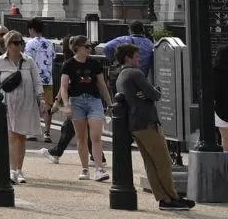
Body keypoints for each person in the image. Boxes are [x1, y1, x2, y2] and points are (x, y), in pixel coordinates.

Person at [112, 42, 193, 209]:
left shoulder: (121, 75)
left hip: (135, 124)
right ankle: (172, 197)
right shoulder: (135, 73)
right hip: (148, 123)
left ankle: (164, 198)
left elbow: (146, 94)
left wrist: (147, 93)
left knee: (150, 163)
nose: (139, 59)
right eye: (136, 56)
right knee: (163, 162)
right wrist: (153, 91)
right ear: (128, 58)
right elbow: (155, 94)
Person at [0, 32, 41, 184]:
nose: (19, 45)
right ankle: (12, 169)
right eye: (15, 43)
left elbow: (37, 82)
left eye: (20, 42)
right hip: (7, 103)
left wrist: (41, 100)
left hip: (26, 103)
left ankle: (19, 169)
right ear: (7, 45)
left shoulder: (29, 61)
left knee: (21, 137)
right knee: (11, 136)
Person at [53, 36, 112, 180]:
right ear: (77, 47)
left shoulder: (94, 63)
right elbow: (64, 87)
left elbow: (102, 84)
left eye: (89, 46)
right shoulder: (68, 64)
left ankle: (99, 169)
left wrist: (109, 103)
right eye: (86, 46)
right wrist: (66, 105)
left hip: (94, 100)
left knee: (96, 135)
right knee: (81, 137)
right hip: (76, 101)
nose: (89, 49)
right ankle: (85, 169)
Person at [23, 21, 57, 143]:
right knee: (47, 106)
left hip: (33, 79)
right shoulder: (50, 43)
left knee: (31, 105)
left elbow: (26, 60)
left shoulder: (30, 44)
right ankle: (47, 133)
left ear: (31, 29)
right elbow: (53, 58)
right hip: (48, 79)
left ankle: (31, 132)